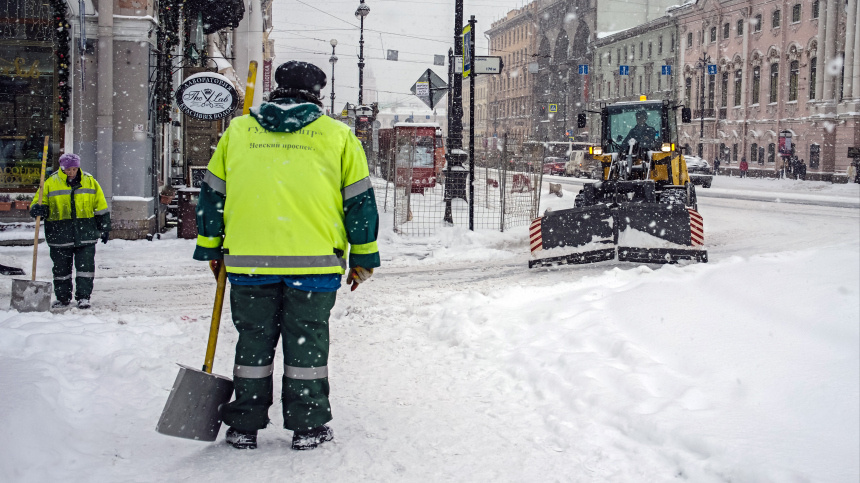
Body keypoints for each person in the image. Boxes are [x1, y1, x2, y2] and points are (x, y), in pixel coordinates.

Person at [193, 60, 381, 451]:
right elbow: (359, 204)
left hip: (247, 261)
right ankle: (308, 426)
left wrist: (212, 247)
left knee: (253, 344)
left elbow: (212, 195)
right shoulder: (339, 136)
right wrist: (363, 258)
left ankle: (244, 424)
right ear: (317, 93)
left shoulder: (238, 132)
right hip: (315, 264)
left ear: (276, 89)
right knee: (307, 345)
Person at [29, 153, 111, 309]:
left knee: (85, 268)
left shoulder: (90, 181)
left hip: (85, 233)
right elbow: (38, 201)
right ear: (62, 168)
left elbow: (100, 205)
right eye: (68, 169)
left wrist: (105, 226)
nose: (71, 172)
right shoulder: (50, 183)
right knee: (61, 270)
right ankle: (63, 298)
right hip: (59, 234)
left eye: (74, 168)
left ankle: (84, 297)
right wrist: (38, 209)